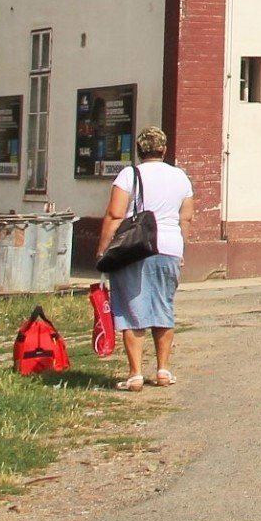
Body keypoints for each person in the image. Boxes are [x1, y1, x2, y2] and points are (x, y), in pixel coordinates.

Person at [98, 127, 195, 391]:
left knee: (132, 310)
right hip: (170, 248)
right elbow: (185, 218)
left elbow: (115, 215)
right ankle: (163, 370)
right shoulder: (181, 177)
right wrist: (181, 249)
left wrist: (103, 248)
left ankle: (135, 374)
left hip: (135, 250)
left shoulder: (129, 174)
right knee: (163, 307)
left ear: (139, 151)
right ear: (164, 150)